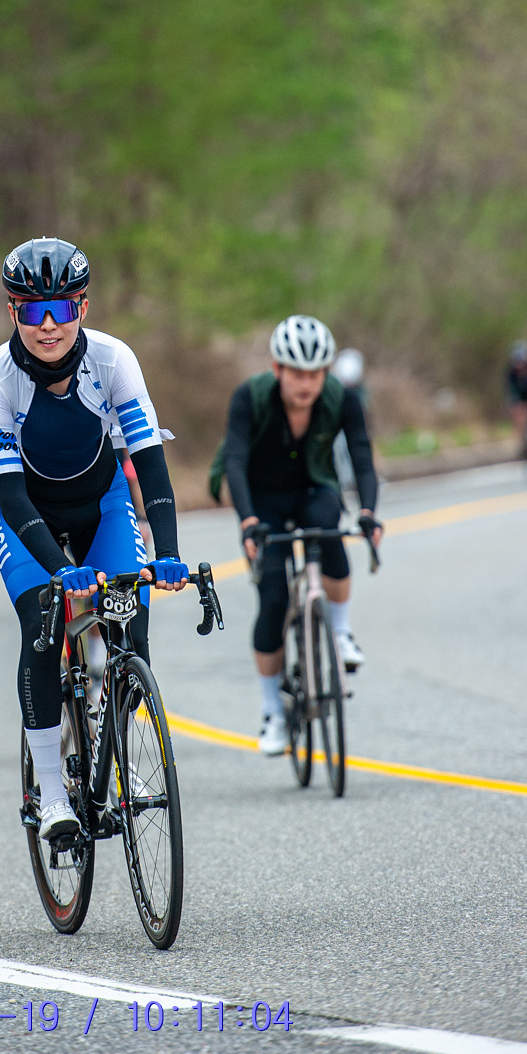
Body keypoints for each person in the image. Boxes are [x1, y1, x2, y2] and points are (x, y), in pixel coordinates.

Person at [0, 237, 189, 842]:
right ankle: (50, 793)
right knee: (42, 625)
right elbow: (10, 493)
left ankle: (112, 753)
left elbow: (150, 465)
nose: (48, 325)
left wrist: (168, 553)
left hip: (102, 504)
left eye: (61, 309)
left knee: (130, 628)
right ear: (12, 311)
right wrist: (57, 569)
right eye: (32, 310)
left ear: (83, 309)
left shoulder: (114, 362)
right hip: (24, 513)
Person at [222, 316, 382, 757]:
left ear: (326, 372)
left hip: (314, 488)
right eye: (297, 373)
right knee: (273, 599)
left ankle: (341, 632)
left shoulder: (342, 398)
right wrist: (247, 521)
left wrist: (368, 513)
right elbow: (234, 460)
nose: (306, 383)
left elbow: (362, 455)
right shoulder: (250, 397)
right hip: (263, 500)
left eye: (315, 373)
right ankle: (272, 710)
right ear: (278, 369)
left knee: (330, 528)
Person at [331, 348, 368, 496]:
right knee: (339, 448)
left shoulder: (359, 390)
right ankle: (344, 479)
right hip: (338, 421)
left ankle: (350, 480)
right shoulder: (337, 388)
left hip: (353, 420)